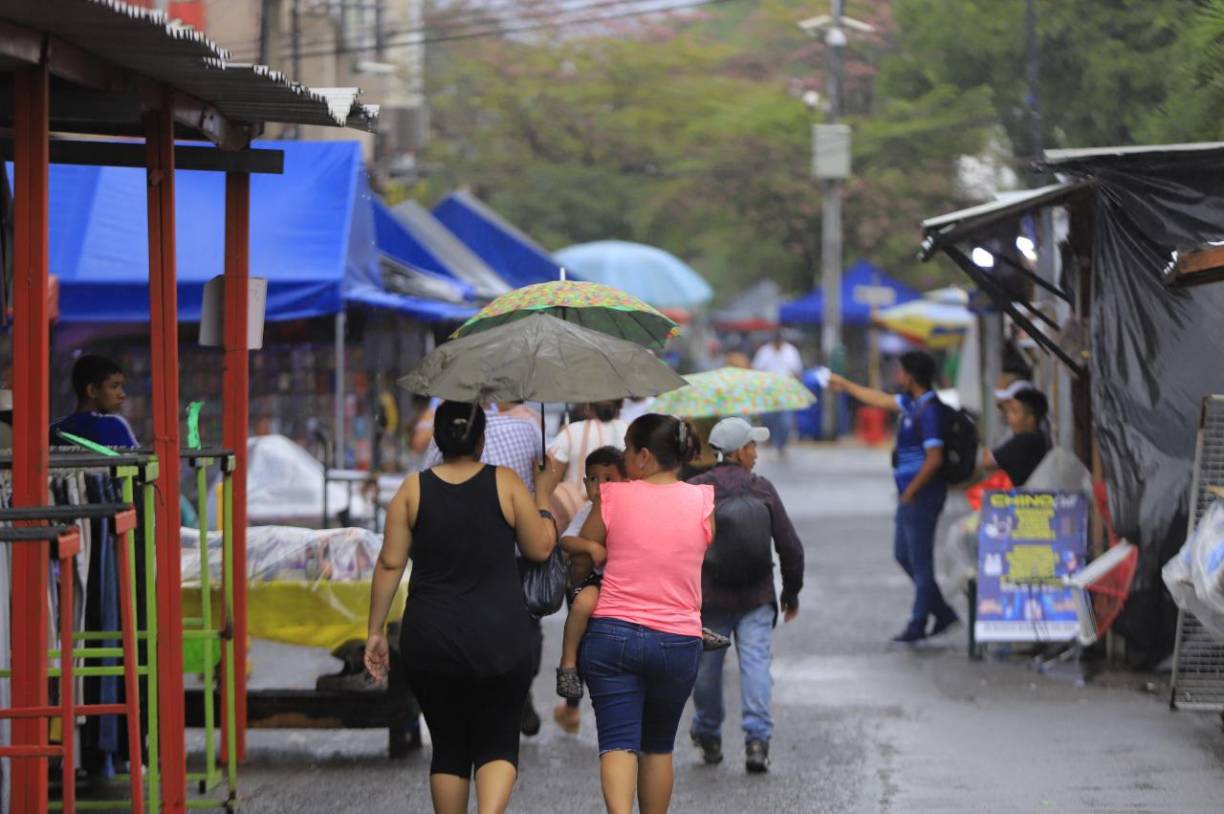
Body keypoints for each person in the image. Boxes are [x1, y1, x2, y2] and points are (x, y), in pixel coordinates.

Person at [365, 401, 558, 814]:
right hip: (501, 636)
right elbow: (540, 548)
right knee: (498, 741)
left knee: (449, 747)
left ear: (436, 440)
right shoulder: (506, 483)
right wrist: (543, 494)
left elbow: (390, 564)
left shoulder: (412, 490)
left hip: (430, 637)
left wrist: (375, 630)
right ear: (481, 440)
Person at [576, 414, 713, 814]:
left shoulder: (613, 497)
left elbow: (582, 556)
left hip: (613, 633)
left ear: (644, 456)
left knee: (618, 742)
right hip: (678, 639)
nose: (623, 457)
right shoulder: (703, 501)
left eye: (627, 449)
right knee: (658, 747)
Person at [687, 417, 805, 774]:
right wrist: (791, 593)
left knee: (706, 671)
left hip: (710, 599)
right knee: (755, 666)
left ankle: (708, 733)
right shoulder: (762, 488)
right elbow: (790, 546)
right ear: (737, 451)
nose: (756, 453)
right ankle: (757, 741)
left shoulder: (696, 489)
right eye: (752, 446)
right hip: (757, 596)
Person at [422, 405, 547, 736]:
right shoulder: (529, 430)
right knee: (525, 625)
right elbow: (542, 479)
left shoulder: (439, 441)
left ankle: (476, 698)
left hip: (460, 556)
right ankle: (517, 690)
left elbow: (427, 486)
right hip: (516, 554)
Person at [830, 351, 960, 644]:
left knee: (920, 562)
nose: (896, 376)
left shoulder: (929, 411)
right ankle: (942, 612)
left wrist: (911, 491)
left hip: (922, 495)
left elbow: (935, 458)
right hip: (910, 495)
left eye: (900, 372)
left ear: (911, 377)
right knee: (903, 555)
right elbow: (878, 399)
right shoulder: (912, 405)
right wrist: (846, 385)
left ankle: (918, 623)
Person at [553, 446, 629, 734]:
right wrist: (589, 546)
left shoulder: (629, 509)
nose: (600, 486)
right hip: (598, 580)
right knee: (583, 603)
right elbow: (566, 541)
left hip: (626, 580)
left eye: (608, 479)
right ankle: (568, 663)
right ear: (584, 483)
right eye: (593, 479)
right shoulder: (588, 511)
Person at [50, 354, 139, 448]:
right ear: (92, 391)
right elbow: (138, 457)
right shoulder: (112, 424)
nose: (122, 394)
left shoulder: (55, 429)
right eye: (114, 386)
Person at [548, 401, 629, 484]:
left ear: (588, 406)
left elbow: (550, 479)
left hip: (578, 491)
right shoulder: (630, 430)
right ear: (622, 403)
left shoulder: (571, 432)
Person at [983, 389, 1051, 488]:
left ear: (1030, 419)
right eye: (1009, 411)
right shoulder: (1040, 437)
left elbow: (987, 461)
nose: (1009, 416)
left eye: (1014, 412)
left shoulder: (1024, 441)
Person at [751, 333, 803, 456]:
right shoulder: (764, 352)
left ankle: (781, 445)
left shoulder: (791, 351)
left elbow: (797, 372)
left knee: (785, 422)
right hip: (768, 393)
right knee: (768, 419)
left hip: (786, 393)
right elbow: (756, 370)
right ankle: (771, 441)